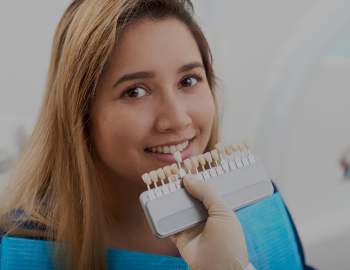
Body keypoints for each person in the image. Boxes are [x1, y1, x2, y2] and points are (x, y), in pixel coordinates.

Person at [0, 1, 315, 270]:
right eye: (135, 91)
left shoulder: (259, 203)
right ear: (79, 113)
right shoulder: (19, 246)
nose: (177, 119)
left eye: (189, 80)